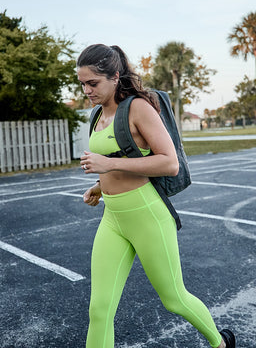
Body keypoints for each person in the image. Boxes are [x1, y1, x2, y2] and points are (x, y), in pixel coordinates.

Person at [78, 44, 235, 348]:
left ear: (114, 76)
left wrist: (108, 164)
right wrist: (100, 185)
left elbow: (169, 163)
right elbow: (120, 156)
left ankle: (220, 343)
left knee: (174, 299)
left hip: (146, 214)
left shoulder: (138, 107)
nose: (87, 90)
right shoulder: (97, 115)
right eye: (82, 83)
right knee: (99, 309)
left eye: (93, 83)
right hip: (113, 217)